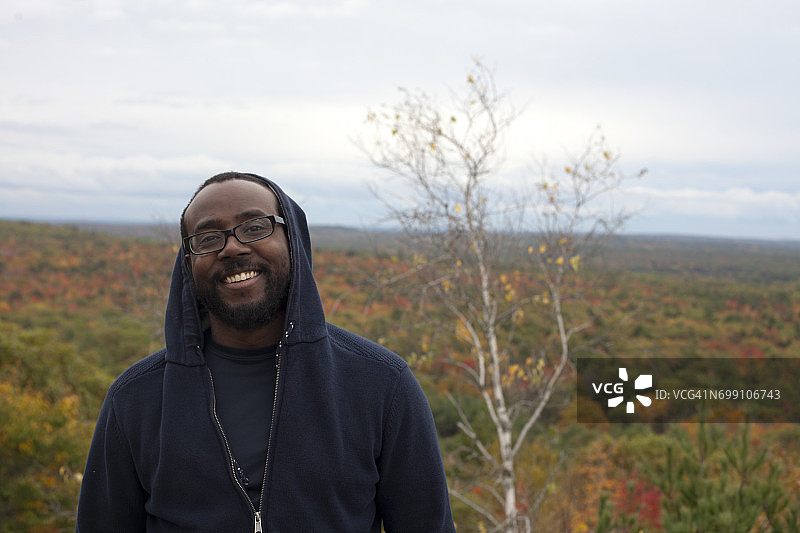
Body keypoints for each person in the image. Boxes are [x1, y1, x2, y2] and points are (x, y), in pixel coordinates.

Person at [76, 172, 455, 532]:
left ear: (293, 241)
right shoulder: (136, 400)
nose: (233, 247)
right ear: (188, 263)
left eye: (256, 227)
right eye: (207, 238)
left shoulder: (381, 384)